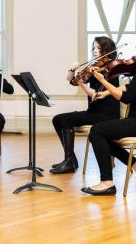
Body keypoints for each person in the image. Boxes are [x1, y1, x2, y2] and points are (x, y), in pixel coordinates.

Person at [81, 30, 136, 196]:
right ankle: (135, 164)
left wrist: (103, 81)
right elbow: (130, 88)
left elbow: (126, 98)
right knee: (100, 133)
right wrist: (106, 92)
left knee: (97, 131)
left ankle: (107, 182)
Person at [50, 37, 121, 174]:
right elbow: (71, 81)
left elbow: (94, 94)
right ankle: (70, 159)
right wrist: (72, 70)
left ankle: (70, 161)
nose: (95, 51)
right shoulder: (95, 67)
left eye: (99, 48)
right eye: (93, 48)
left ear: (107, 50)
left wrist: (81, 83)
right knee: (58, 119)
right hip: (95, 112)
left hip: (106, 115)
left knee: (63, 119)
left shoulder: (110, 70)